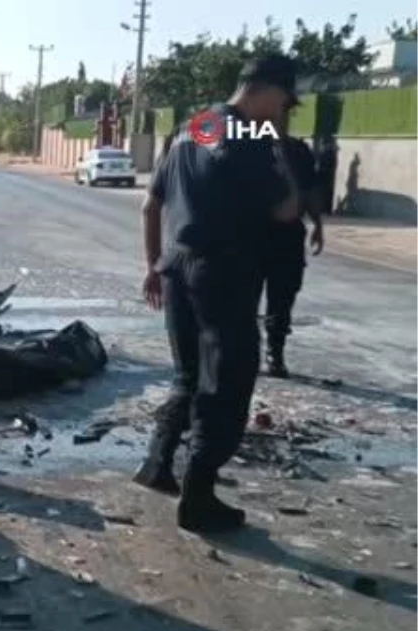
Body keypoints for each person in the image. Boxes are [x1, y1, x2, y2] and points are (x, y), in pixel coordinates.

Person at [134, 54, 303, 534]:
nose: (283, 112)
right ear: (268, 90)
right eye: (284, 103)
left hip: (176, 266)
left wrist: (152, 266)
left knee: (189, 374)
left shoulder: (193, 128)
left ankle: (157, 463)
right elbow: (287, 209)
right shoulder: (249, 136)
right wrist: (280, 153)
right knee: (227, 382)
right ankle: (199, 495)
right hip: (222, 273)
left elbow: (150, 205)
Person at [262, 113, 324, 378]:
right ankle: (241, 352)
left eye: (285, 115)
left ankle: (275, 352)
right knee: (243, 297)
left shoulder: (299, 151)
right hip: (252, 235)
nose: (281, 120)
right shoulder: (247, 149)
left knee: (284, 295)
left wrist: (317, 224)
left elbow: (310, 189)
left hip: (288, 236)